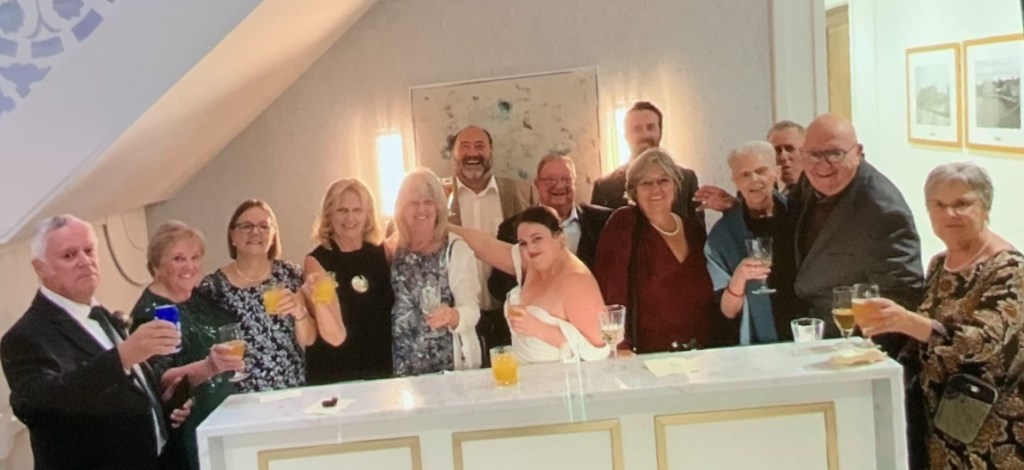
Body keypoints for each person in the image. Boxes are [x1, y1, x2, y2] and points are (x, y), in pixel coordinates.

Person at [857, 162, 1023, 468]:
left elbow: (982, 344)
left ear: (985, 207)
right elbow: (921, 342)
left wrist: (910, 321)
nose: (950, 214)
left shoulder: (1009, 269)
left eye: (962, 204)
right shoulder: (938, 264)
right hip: (941, 426)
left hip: (991, 432)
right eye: (939, 205)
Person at [1, 215, 190, 469]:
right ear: (40, 268)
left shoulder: (104, 316)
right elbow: (44, 408)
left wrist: (163, 401)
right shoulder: (26, 337)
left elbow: (119, 395)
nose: (85, 261)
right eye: (69, 255)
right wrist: (122, 357)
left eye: (89, 251)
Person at [794, 114, 924, 346]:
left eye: (835, 154)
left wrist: (864, 355)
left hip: (851, 345)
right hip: (808, 335)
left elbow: (901, 299)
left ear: (858, 152)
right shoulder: (808, 182)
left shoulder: (882, 210)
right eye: (814, 154)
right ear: (803, 155)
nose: (823, 165)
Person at [130, 221, 246, 470]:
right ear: (157, 266)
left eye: (195, 257)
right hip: (189, 432)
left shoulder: (198, 296)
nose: (190, 266)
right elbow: (159, 381)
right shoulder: (153, 313)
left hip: (220, 419)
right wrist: (209, 366)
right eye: (178, 259)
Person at [594, 148, 716, 352]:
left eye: (663, 180)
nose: (656, 189)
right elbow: (610, 294)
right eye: (646, 183)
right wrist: (621, 347)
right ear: (633, 191)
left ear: (675, 185)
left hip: (702, 353)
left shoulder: (694, 230)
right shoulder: (624, 224)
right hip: (647, 358)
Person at [452, 206, 608, 363]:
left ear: (560, 238)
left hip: (562, 376)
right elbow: (485, 245)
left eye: (537, 239)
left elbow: (598, 352)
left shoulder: (576, 282)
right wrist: (443, 227)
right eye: (523, 243)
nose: (530, 248)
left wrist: (538, 328)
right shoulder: (530, 262)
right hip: (520, 373)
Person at [199, 199, 318, 392]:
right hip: (237, 395)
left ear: (273, 235)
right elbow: (204, 348)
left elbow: (309, 341)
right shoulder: (213, 287)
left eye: (264, 226)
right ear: (232, 236)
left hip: (289, 389)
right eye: (246, 226)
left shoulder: (290, 274)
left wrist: (299, 313)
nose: (255, 232)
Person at [446, 125, 537, 354]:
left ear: (491, 152)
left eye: (480, 146)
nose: (472, 153)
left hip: (512, 316)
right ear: (453, 154)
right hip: (458, 319)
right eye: (464, 147)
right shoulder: (437, 198)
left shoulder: (521, 192)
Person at [488, 154, 612, 316]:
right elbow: (497, 286)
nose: (559, 186)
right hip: (537, 320)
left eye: (566, 179)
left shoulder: (603, 221)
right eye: (550, 180)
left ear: (575, 182)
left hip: (591, 315)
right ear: (537, 184)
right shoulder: (512, 228)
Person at [705, 141, 801, 345]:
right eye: (745, 175)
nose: (754, 180)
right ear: (735, 181)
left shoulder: (800, 217)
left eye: (761, 171)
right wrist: (739, 278)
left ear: (776, 172)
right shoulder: (723, 235)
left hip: (806, 336)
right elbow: (728, 311)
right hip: (756, 348)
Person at [304, 178, 395, 383]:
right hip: (334, 371)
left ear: (367, 214)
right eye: (342, 210)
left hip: (381, 369)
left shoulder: (383, 253)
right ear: (329, 214)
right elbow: (333, 332)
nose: (350, 218)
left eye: (357, 210)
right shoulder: (316, 261)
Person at [391, 169, 481, 376]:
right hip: (400, 366)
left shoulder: (456, 249)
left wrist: (452, 315)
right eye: (414, 203)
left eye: (428, 202)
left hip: (448, 366)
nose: (421, 209)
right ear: (402, 208)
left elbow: (472, 310)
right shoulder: (392, 249)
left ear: (439, 207)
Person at [591, 101, 702, 226]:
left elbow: (698, 234)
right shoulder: (605, 188)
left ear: (660, 132)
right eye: (637, 129)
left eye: (650, 127)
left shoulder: (687, 180)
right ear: (626, 136)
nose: (645, 135)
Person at [767, 120, 805, 196]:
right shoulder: (764, 196)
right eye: (777, 151)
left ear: (805, 151)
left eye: (789, 149)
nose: (783, 157)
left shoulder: (820, 192)